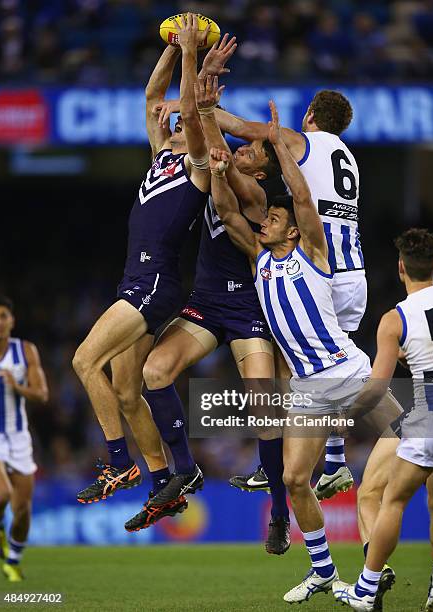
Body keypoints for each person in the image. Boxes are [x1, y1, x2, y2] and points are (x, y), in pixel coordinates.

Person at [208, 101, 373, 604]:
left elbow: (302, 197)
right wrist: (218, 174)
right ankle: (324, 571)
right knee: (294, 478)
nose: (267, 220)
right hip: (309, 390)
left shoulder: (314, 254)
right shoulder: (259, 261)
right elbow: (228, 213)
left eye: (275, 217)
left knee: (421, 442)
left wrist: (279, 140)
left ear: (294, 229)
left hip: (349, 373)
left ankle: (347, 469)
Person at [73, 14, 211, 528]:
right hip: (137, 281)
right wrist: (174, 48)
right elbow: (154, 96)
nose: (170, 119)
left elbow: (189, 109)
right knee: (127, 390)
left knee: (85, 361)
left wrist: (193, 54)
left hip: (154, 283)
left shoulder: (196, 164)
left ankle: (117, 464)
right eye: (168, 119)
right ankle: (162, 485)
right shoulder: (159, 155)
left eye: (178, 118)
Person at [140, 74, 288, 551]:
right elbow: (193, 145)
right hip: (205, 304)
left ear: (261, 172)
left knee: (266, 405)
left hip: (247, 308)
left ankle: (280, 512)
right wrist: (192, 106)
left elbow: (226, 207)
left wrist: (205, 113)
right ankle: (184, 469)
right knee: (155, 371)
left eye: (251, 152)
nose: (241, 151)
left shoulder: (258, 198)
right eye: (239, 149)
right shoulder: (217, 166)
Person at [333, 228, 433, 611]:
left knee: (391, 500)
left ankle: (366, 587)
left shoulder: (395, 319)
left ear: (400, 269)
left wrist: (348, 414)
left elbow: (377, 388)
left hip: (429, 419)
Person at [0, 296, 48, 582]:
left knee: (22, 510)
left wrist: (17, 386)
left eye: (3, 315)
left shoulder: (25, 351)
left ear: (12, 320)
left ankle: (13, 560)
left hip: (18, 437)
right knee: (1, 494)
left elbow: (42, 394)